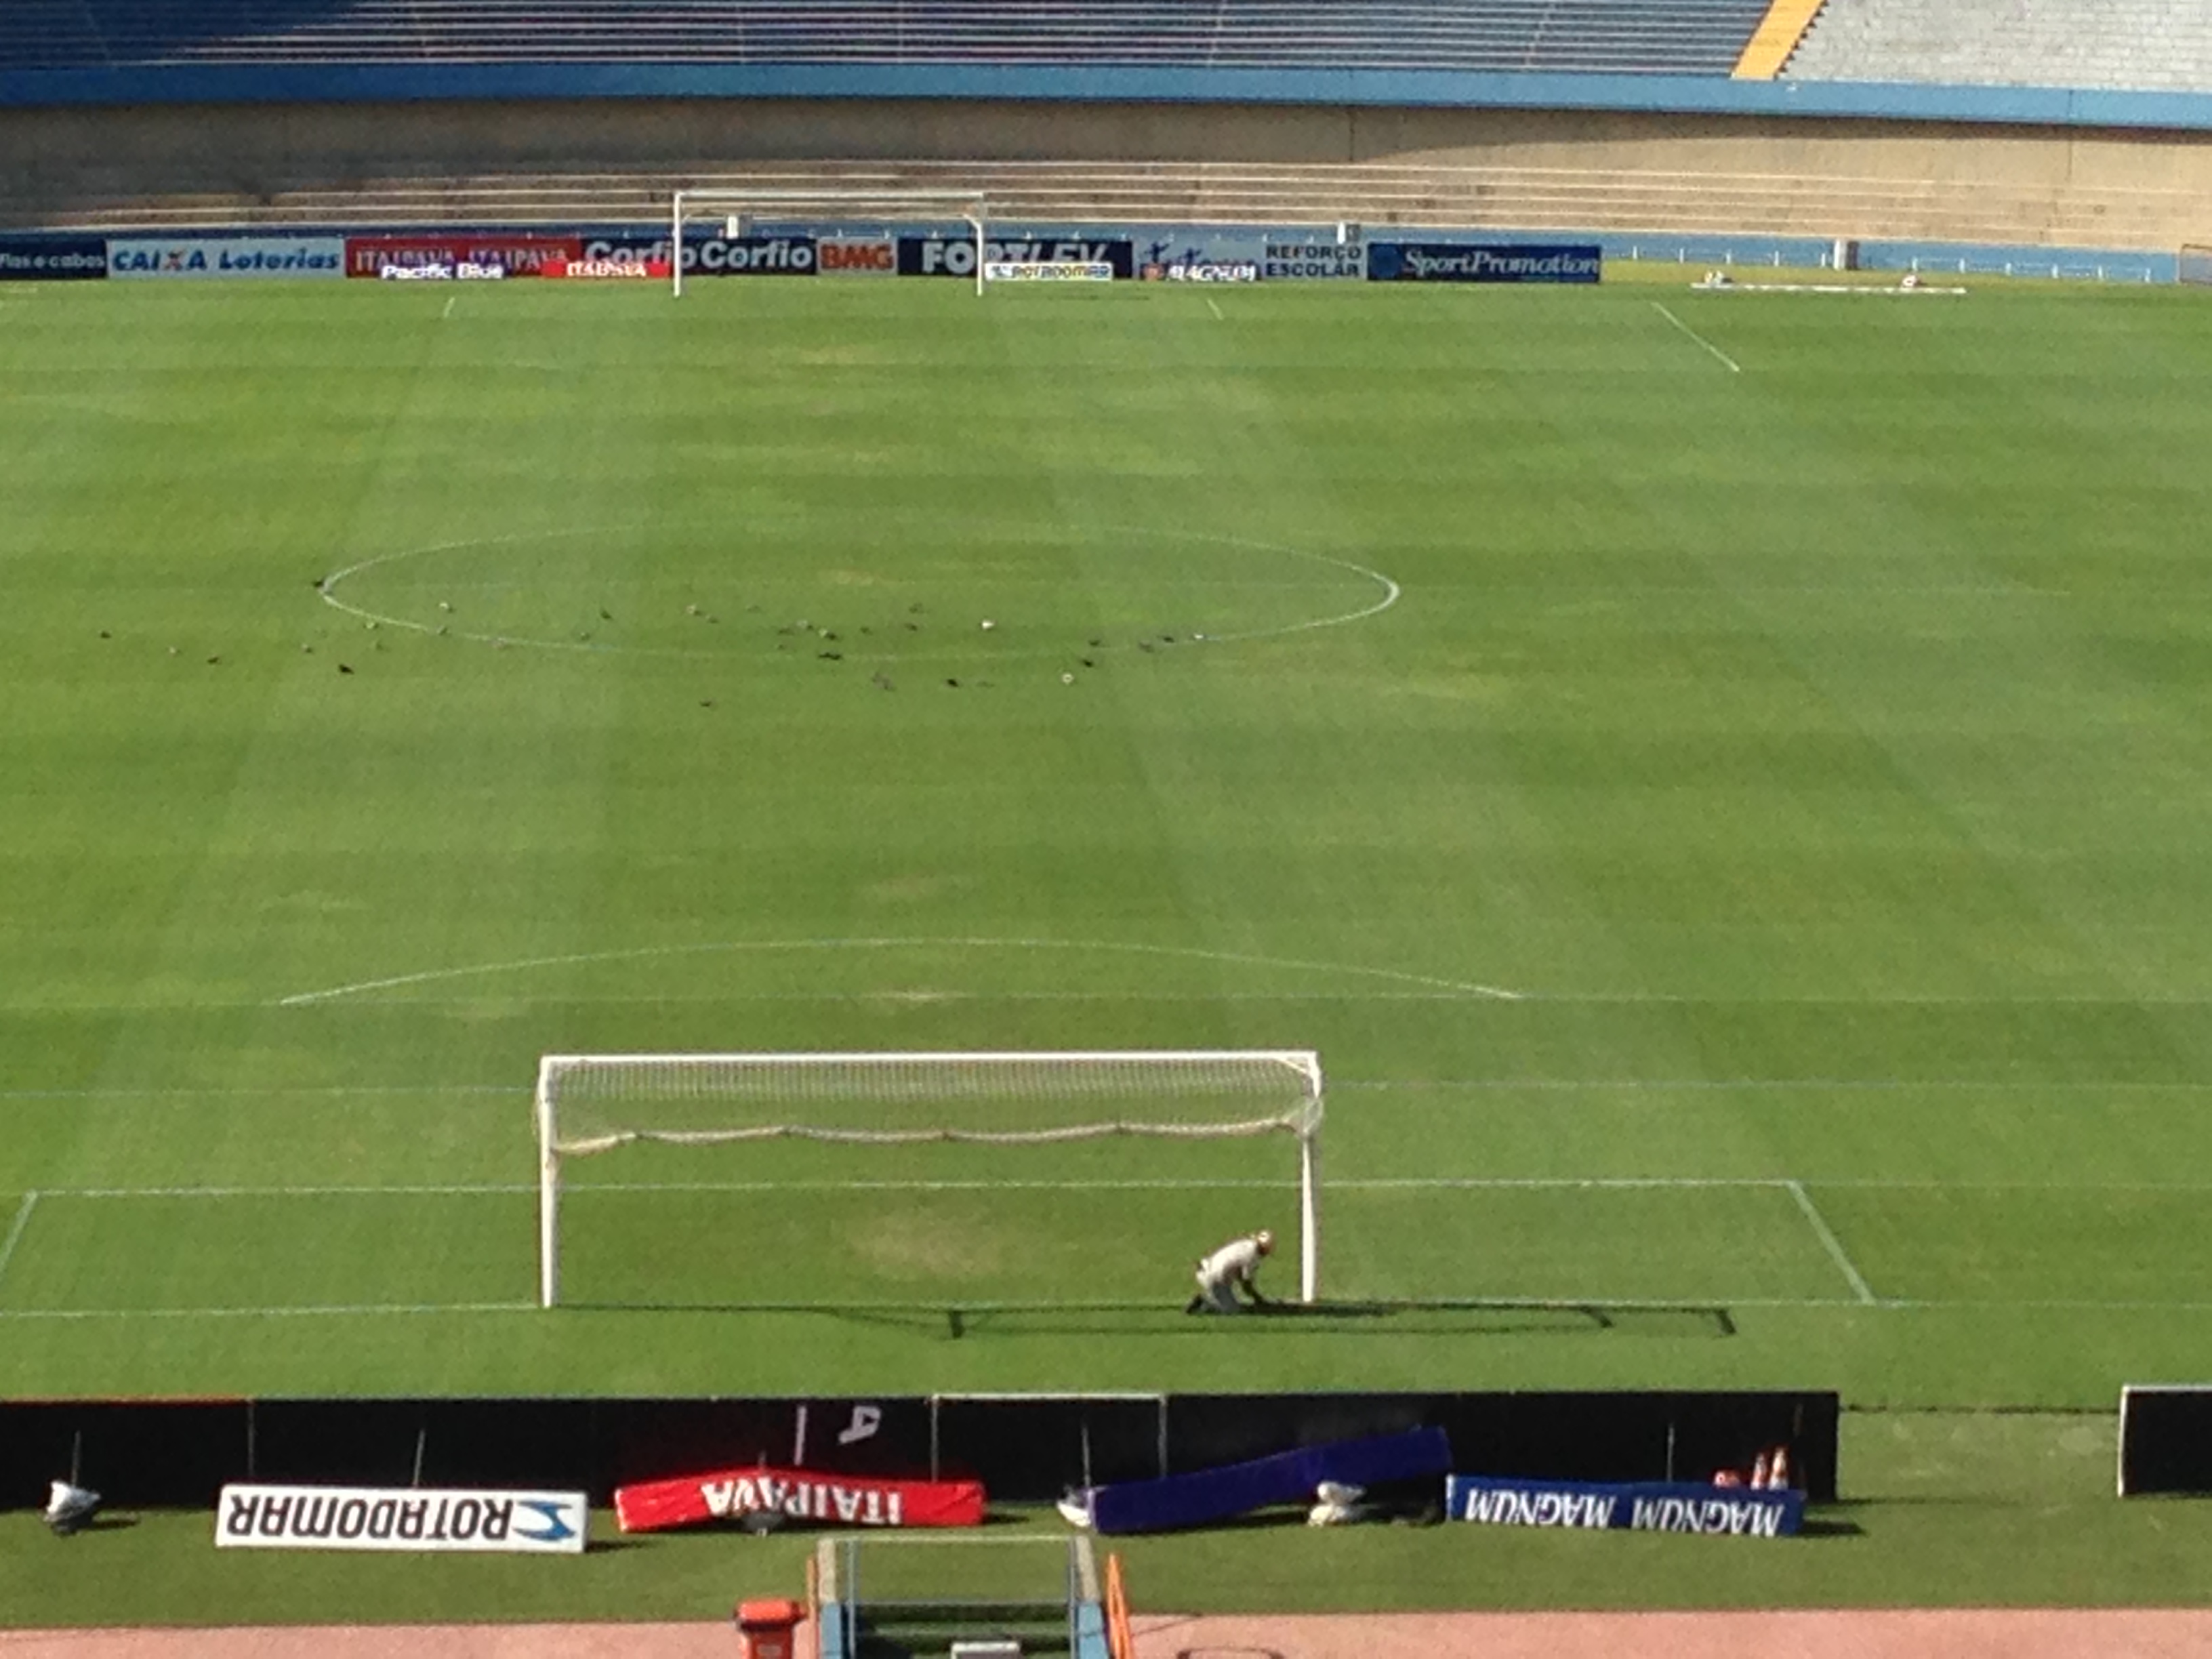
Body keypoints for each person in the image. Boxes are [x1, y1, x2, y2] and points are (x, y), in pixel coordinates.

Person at [1185, 1229, 1275, 1314]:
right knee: (1232, 1310)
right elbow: (1246, 1284)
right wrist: (1259, 1299)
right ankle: (1204, 1303)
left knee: (1226, 1297)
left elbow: (1240, 1274)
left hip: (1205, 1270)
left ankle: (1215, 1298)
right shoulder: (1252, 1256)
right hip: (1215, 1279)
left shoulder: (1246, 1244)